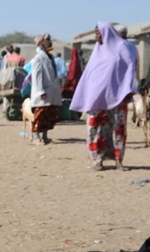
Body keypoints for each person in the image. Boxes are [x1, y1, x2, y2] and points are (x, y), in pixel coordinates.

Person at [70, 22, 136, 171]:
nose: (96, 36)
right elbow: (90, 74)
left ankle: (118, 160)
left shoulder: (122, 49)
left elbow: (129, 69)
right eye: (95, 33)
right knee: (95, 129)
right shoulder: (97, 51)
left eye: (98, 33)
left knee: (117, 128)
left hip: (118, 96)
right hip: (97, 97)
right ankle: (96, 160)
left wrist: (128, 89)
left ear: (107, 33)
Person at [30, 34, 62, 145]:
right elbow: (37, 76)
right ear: (42, 43)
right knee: (40, 115)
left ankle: (45, 136)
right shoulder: (38, 58)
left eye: (50, 40)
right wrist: (41, 91)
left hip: (51, 92)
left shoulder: (51, 57)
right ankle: (35, 137)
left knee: (49, 115)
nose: (50, 42)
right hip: (43, 92)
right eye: (47, 40)